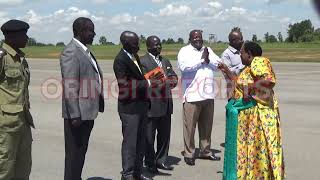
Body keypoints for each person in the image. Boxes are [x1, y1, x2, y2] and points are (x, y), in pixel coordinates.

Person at [219, 41, 284, 180]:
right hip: (251, 119)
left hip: (259, 118)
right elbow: (241, 85)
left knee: (259, 153)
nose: (240, 55)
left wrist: (251, 88)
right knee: (254, 153)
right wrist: (228, 72)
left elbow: (268, 81)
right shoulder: (248, 68)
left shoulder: (259, 61)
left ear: (249, 54)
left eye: (241, 52)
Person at [113, 31, 162, 180]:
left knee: (141, 141)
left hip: (141, 106)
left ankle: (137, 172)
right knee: (130, 143)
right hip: (129, 108)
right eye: (135, 44)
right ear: (126, 44)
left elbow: (139, 77)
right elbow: (125, 85)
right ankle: (127, 174)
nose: (139, 46)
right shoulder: (120, 60)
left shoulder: (134, 56)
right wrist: (148, 82)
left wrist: (155, 77)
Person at [60, 17, 104, 180]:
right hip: (78, 116)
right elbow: (70, 86)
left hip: (87, 113)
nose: (94, 33)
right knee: (74, 156)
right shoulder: (71, 51)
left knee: (80, 153)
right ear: (79, 31)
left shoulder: (85, 50)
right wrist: (75, 115)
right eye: (90, 30)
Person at [177, 29, 221, 166]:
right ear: (190, 39)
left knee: (206, 127)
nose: (198, 39)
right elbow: (184, 67)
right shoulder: (184, 51)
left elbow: (217, 65)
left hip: (208, 95)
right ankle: (189, 153)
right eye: (195, 37)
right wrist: (202, 60)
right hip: (192, 96)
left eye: (200, 37)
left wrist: (207, 59)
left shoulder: (208, 49)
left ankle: (205, 151)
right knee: (190, 128)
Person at [0, 19, 35, 180]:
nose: (27, 38)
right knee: (5, 168)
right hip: (6, 126)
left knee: (24, 167)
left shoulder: (21, 59)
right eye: (24, 34)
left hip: (23, 122)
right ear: (11, 37)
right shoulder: (2, 58)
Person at [140, 36, 178, 173]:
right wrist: (165, 80)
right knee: (149, 138)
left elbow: (172, 75)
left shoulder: (165, 60)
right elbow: (149, 82)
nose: (159, 47)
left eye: (160, 44)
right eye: (156, 45)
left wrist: (171, 80)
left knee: (164, 136)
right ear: (148, 46)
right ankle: (150, 163)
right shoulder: (143, 61)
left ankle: (161, 160)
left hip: (166, 104)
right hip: (151, 105)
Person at [221, 29, 244, 99]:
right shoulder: (226, 54)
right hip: (233, 91)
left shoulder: (242, 51)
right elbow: (228, 73)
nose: (242, 41)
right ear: (233, 41)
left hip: (245, 90)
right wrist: (243, 65)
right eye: (240, 39)